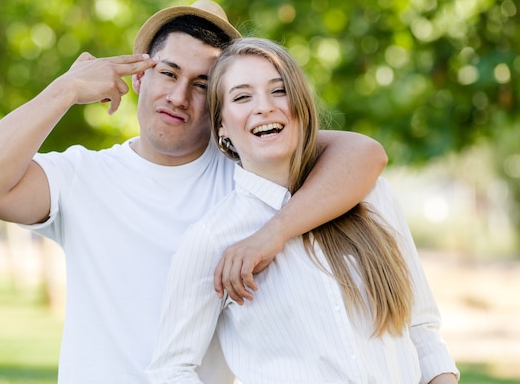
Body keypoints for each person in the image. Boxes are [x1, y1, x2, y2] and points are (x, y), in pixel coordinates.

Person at [0, 1, 387, 384]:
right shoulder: (83, 175)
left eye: (202, 84)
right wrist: (66, 89)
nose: (179, 96)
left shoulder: (248, 174)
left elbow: (363, 154)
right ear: (140, 76)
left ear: (218, 104)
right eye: (168, 73)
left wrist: (272, 233)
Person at [146, 38, 460, 384]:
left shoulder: (372, 196)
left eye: (279, 91)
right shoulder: (213, 239)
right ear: (221, 126)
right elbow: (170, 370)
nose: (264, 107)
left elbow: (422, 331)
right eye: (242, 96)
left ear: (300, 105)